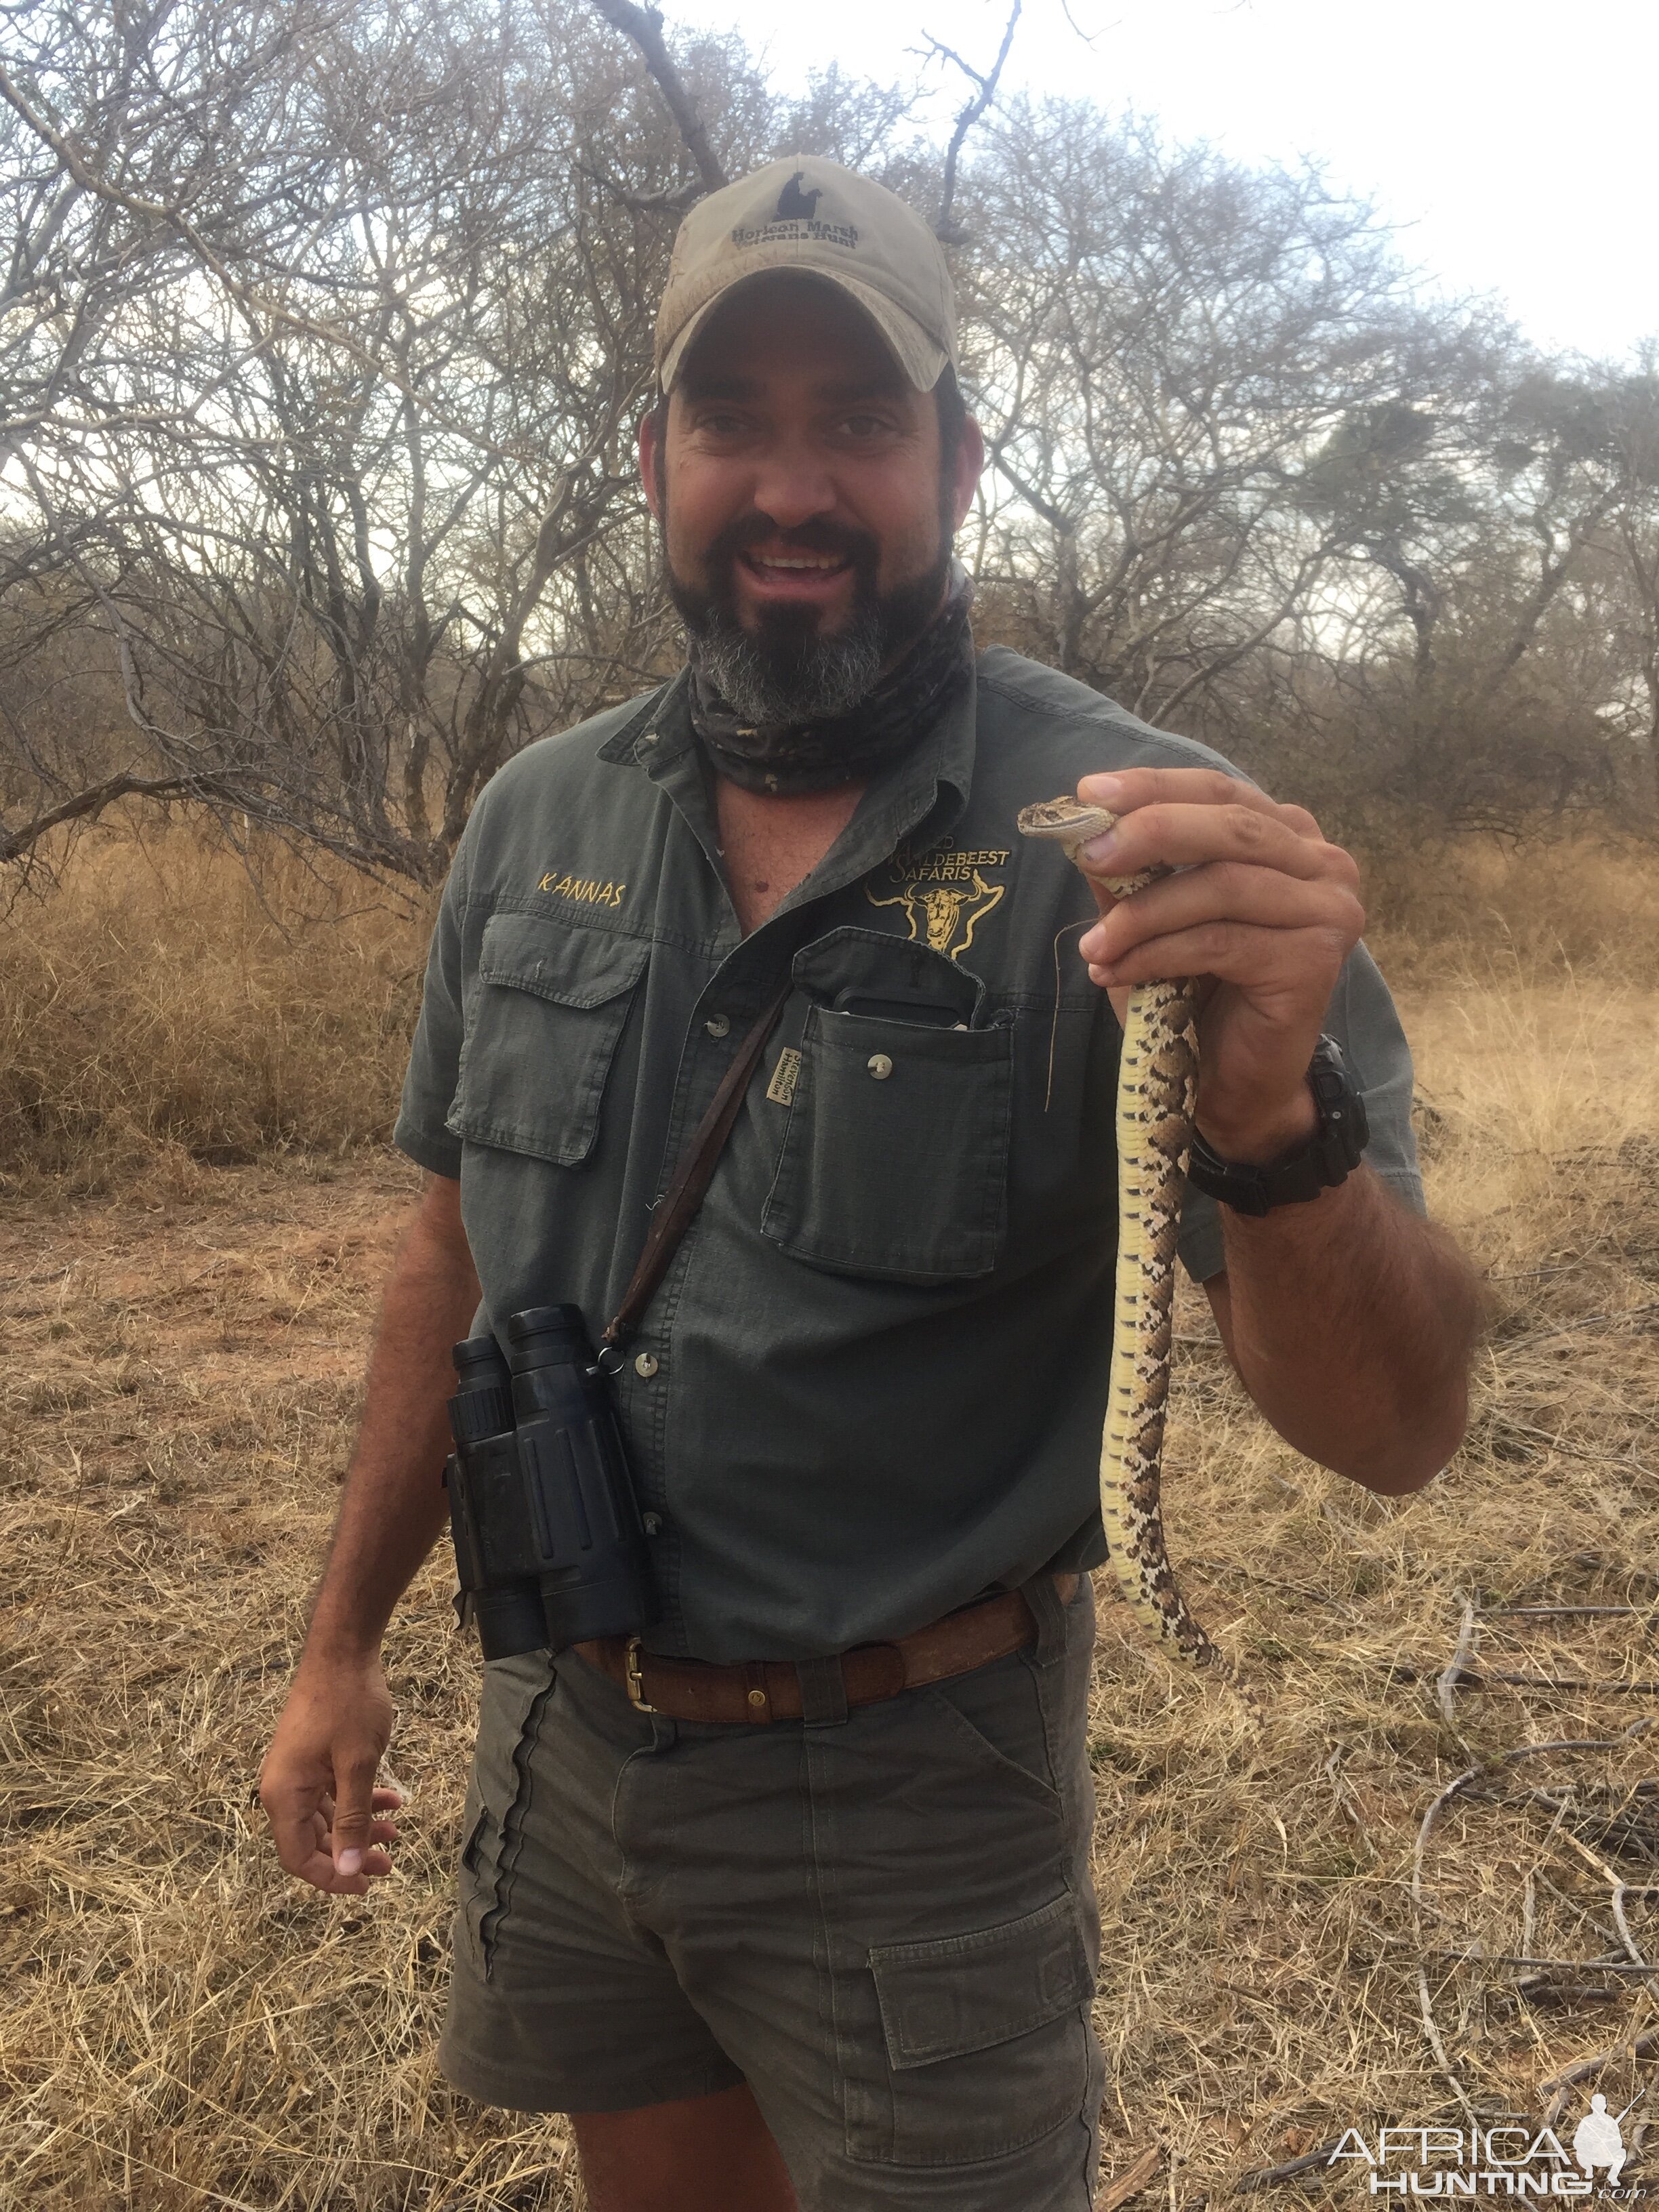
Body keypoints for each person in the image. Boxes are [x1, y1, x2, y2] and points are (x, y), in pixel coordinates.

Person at [258, 158, 1482, 2211]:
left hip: (919, 1791)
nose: (795, 484)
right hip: (566, 1734)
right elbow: (452, 1244)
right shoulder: (532, 817)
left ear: (962, 460)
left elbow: (1399, 1433)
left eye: (862, 421)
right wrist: (340, 1643)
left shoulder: (1147, 848)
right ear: (654, 457)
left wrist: (1281, 1134)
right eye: (736, 419)